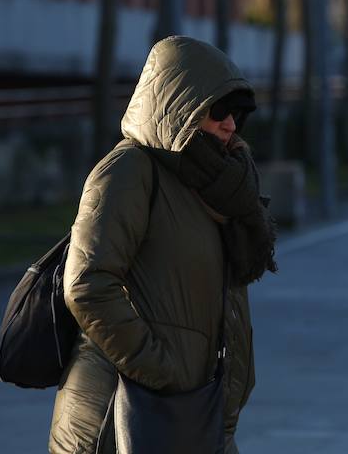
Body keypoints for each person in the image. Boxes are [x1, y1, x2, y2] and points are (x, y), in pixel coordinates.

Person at [48, 36, 277, 454]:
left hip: (193, 411)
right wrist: (159, 369)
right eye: (219, 109)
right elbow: (87, 283)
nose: (230, 124)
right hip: (120, 417)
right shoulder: (130, 170)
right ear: (179, 106)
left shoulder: (215, 185)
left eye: (239, 113)